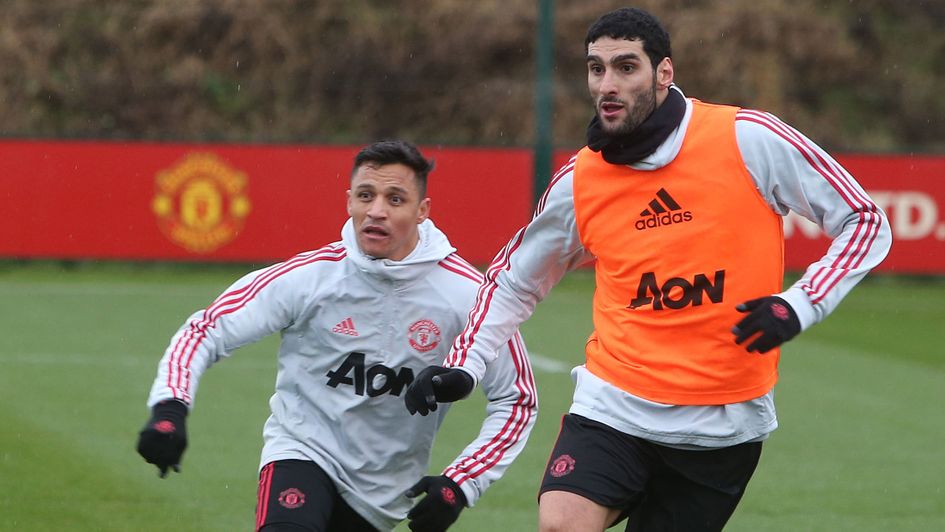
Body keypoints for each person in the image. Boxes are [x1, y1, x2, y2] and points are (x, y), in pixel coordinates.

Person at [404, 7, 892, 532]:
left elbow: (864, 220)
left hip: (723, 424)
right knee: (560, 525)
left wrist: (799, 304)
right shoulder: (580, 181)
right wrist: (466, 363)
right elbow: (515, 280)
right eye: (596, 68)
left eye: (625, 67)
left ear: (664, 73)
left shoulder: (747, 139)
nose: (607, 84)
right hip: (613, 405)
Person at [136, 140, 537, 532]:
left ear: (422, 211)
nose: (376, 211)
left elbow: (517, 399)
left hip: (382, 495)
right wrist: (170, 407)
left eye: (395, 199)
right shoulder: (313, 277)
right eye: (366, 195)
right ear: (349, 201)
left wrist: (460, 485)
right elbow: (207, 328)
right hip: (302, 451)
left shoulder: (467, 295)